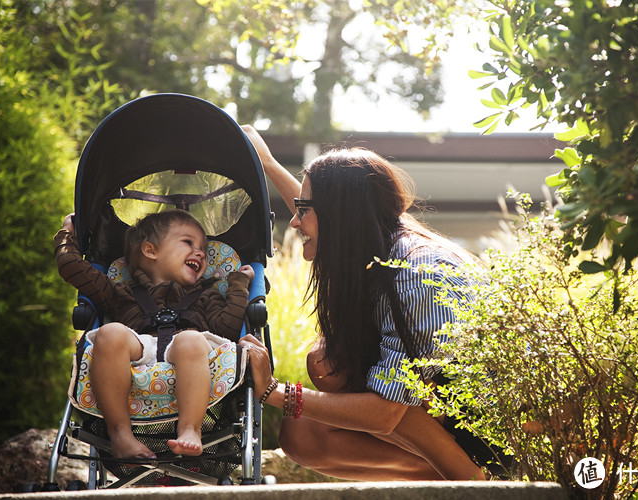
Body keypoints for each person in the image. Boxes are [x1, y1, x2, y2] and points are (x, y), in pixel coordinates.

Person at [239, 125, 492, 481]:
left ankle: (473, 481)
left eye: (302, 210)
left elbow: (385, 413)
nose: (294, 221)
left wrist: (273, 391)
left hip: (503, 427)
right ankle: (434, 473)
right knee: (308, 421)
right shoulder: (377, 241)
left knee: (344, 371)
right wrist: (266, 163)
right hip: (449, 411)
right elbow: (320, 212)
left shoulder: (415, 275)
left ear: (341, 215)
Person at [55, 210, 254, 459]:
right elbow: (72, 267)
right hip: (139, 347)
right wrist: (68, 233)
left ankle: (190, 429)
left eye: (203, 247)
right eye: (188, 242)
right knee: (109, 334)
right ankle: (120, 433)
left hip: (189, 351)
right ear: (150, 251)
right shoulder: (122, 293)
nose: (201, 252)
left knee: (190, 339)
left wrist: (238, 283)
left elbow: (227, 330)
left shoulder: (206, 294)